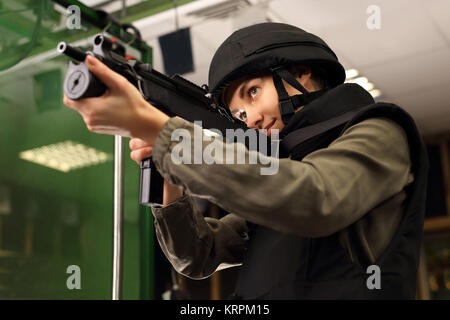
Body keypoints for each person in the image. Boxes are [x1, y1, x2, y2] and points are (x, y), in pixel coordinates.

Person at [63, 22, 429, 299]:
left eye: (253, 93)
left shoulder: (381, 130)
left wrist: (164, 133)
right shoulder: (284, 166)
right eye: (238, 115)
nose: (249, 119)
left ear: (300, 71)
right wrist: (170, 178)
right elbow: (198, 255)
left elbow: (315, 198)